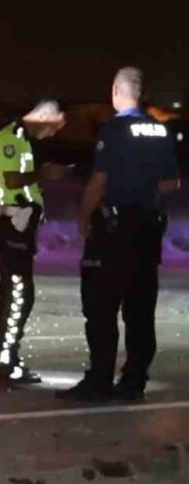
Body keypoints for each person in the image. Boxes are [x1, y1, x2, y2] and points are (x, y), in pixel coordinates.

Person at [58, 67, 180, 402]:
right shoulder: (161, 130)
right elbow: (173, 182)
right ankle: (133, 382)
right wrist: (145, 188)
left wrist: (83, 217)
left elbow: (99, 181)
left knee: (101, 306)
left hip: (114, 231)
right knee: (140, 309)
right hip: (148, 229)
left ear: (116, 90)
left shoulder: (112, 130)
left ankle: (99, 381)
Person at [0, 100, 69, 382]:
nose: (54, 132)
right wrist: (44, 173)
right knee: (19, 293)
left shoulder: (21, 139)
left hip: (19, 225)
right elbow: (11, 180)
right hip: (13, 225)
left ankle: (4, 356)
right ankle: (6, 361)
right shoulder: (12, 138)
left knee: (15, 292)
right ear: (44, 117)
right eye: (55, 125)